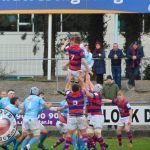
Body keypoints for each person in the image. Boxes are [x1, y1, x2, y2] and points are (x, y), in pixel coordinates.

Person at [63, 74, 88, 150]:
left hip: (72, 116)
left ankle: (66, 148)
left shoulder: (69, 95)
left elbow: (66, 88)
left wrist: (69, 80)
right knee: (83, 132)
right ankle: (86, 146)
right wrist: (80, 79)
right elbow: (84, 87)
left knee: (69, 134)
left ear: (72, 90)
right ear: (78, 89)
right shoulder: (81, 94)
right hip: (80, 116)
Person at [86, 84, 108, 150]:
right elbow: (88, 83)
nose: (102, 91)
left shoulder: (97, 94)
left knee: (97, 132)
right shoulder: (95, 93)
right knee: (89, 132)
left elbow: (89, 94)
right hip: (93, 115)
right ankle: (100, 145)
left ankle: (101, 147)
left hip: (97, 116)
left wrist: (85, 90)